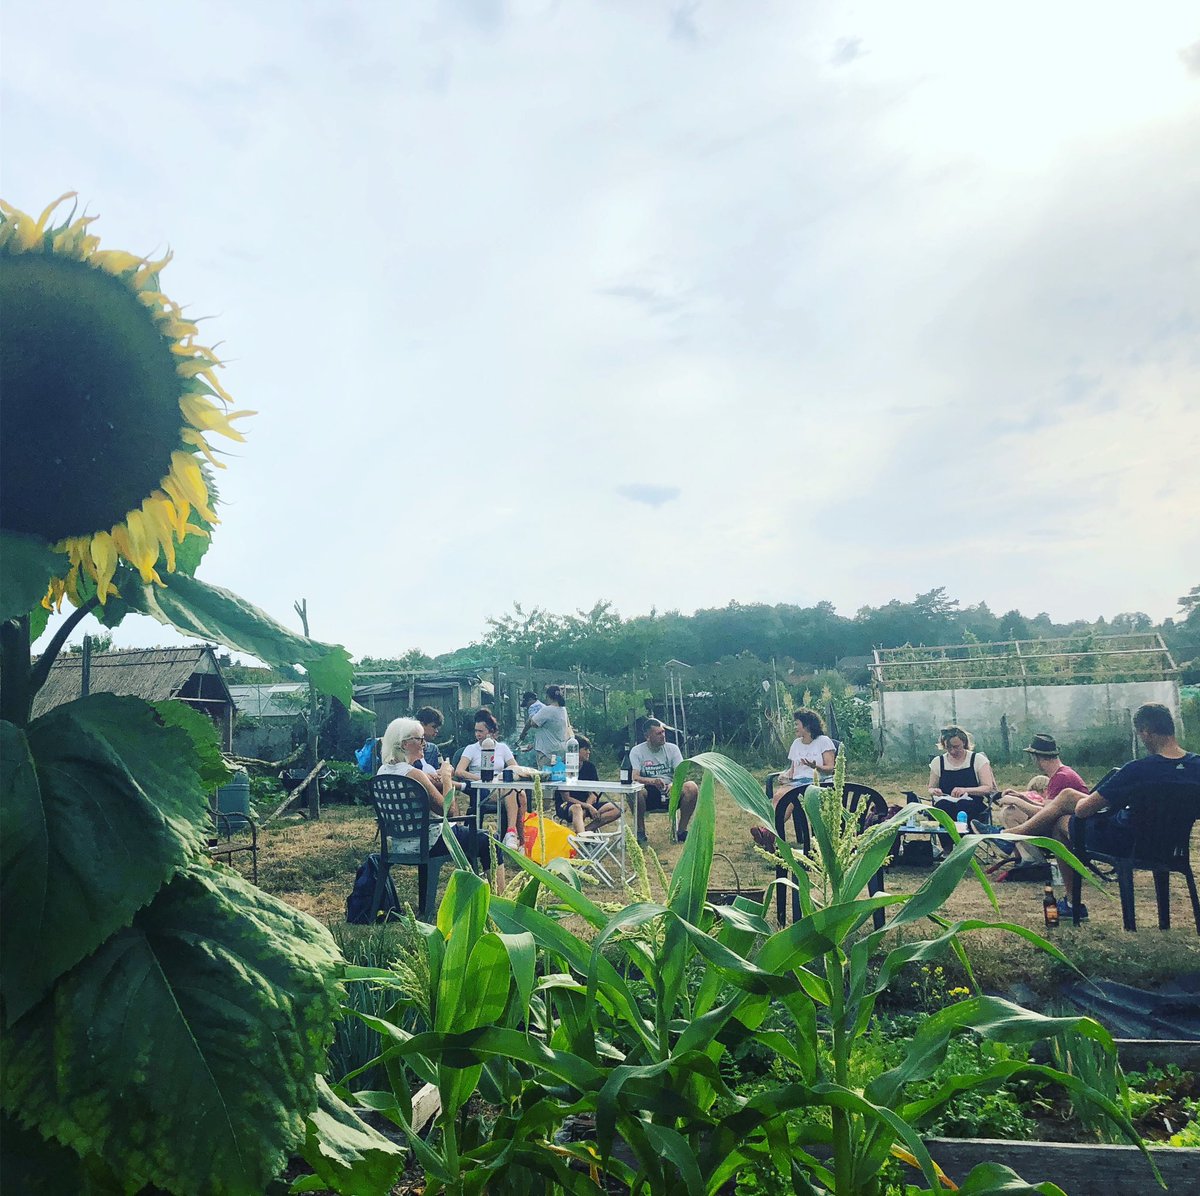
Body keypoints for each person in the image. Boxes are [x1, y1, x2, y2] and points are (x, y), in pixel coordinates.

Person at [1013, 703, 1200, 919]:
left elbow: (1083, 811)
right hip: (1171, 846)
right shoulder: (1196, 766)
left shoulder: (1137, 769)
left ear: (1146, 732)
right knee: (1068, 796)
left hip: (1126, 844)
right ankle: (1018, 833)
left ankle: (1072, 902)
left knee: (1060, 822)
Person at [376, 717, 503, 882]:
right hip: (431, 841)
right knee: (490, 840)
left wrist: (429, 778)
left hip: (400, 843)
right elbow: (449, 812)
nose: (424, 744)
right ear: (404, 744)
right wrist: (446, 777)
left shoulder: (383, 771)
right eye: (420, 739)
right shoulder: (415, 774)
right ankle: (500, 897)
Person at [751, 709, 838, 848]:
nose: (795, 727)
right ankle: (768, 832)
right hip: (797, 782)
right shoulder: (796, 744)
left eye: (797, 724)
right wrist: (785, 775)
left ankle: (767, 833)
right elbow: (793, 769)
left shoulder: (823, 741)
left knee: (787, 797)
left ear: (807, 725)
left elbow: (831, 768)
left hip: (818, 783)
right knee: (778, 796)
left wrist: (816, 767)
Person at [454, 707, 527, 852]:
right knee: (518, 794)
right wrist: (480, 777)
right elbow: (459, 771)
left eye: (481, 731)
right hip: (483, 789)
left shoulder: (503, 748)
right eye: (476, 731)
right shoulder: (471, 748)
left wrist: (502, 776)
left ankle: (514, 835)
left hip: (501, 787)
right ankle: (516, 837)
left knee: (518, 792)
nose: (477, 734)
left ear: (491, 732)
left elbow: (515, 768)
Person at [629, 718, 698, 844]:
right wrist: (652, 781)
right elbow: (635, 777)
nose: (663, 736)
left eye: (663, 732)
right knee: (635, 792)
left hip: (671, 790)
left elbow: (680, 773)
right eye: (658, 734)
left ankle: (682, 831)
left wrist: (674, 784)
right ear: (647, 736)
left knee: (691, 787)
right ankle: (640, 832)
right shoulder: (637, 751)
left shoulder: (673, 749)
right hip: (648, 791)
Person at [928, 726, 997, 845]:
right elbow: (931, 788)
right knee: (942, 809)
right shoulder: (938, 762)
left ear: (964, 743)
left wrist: (966, 790)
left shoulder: (978, 760)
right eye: (948, 748)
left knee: (963, 807)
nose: (952, 751)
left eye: (956, 747)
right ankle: (947, 849)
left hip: (973, 804)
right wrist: (935, 791)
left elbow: (988, 787)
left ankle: (964, 846)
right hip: (945, 802)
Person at [557, 734, 620, 834]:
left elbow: (594, 791)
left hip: (587, 803)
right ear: (576, 750)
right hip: (567, 805)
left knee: (617, 808)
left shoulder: (590, 767)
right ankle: (583, 841)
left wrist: (588, 806)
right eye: (585, 749)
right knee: (577, 808)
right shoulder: (562, 767)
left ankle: (585, 832)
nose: (588, 752)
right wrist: (587, 806)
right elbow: (566, 798)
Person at [524, 684, 571, 767]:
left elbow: (533, 723)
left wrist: (532, 715)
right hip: (560, 750)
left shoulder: (547, 709)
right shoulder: (563, 710)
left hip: (547, 752)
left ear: (548, 696)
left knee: (546, 775)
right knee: (558, 775)